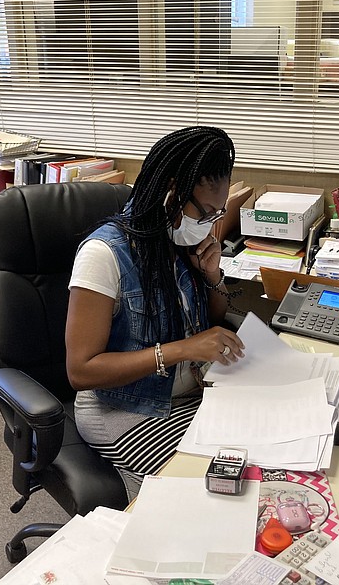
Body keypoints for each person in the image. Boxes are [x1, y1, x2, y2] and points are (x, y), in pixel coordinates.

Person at [66, 126, 245, 501]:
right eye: (207, 212)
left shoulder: (177, 237)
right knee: (204, 491)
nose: (210, 222)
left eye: (219, 212)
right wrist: (182, 349)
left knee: (251, 461)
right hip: (123, 411)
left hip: (186, 398)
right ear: (171, 192)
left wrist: (212, 276)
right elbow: (81, 371)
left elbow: (213, 319)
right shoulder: (104, 255)